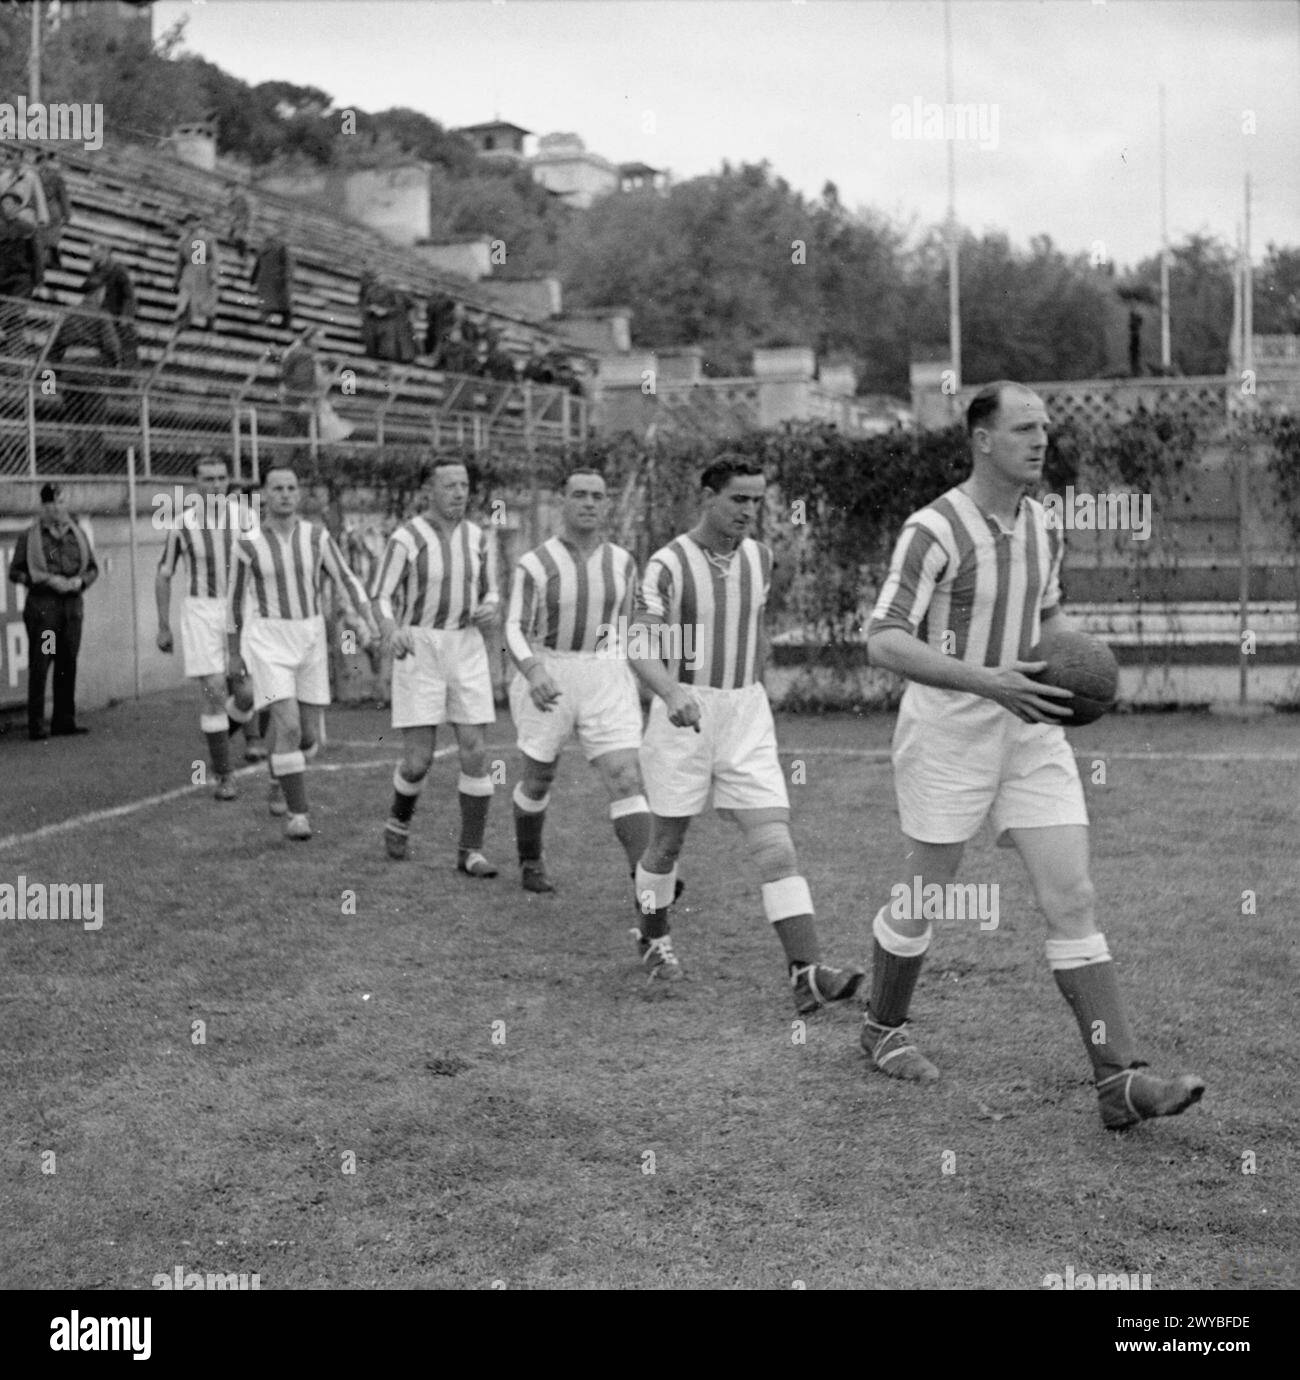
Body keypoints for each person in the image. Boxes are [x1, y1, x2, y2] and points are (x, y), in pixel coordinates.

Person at [862, 380, 1205, 1130]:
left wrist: (1074, 673)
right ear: (982, 439)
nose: (1041, 439)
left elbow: (1048, 619)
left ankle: (1119, 1081)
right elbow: (883, 637)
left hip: (1032, 727)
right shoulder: (934, 528)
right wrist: (987, 680)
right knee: (929, 891)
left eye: (1044, 427)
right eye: (1023, 428)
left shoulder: (1045, 524)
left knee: (1072, 896)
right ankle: (883, 1026)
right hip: (951, 726)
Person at [626, 454, 864, 1014]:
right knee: (667, 844)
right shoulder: (666, 564)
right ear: (706, 497)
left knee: (776, 842)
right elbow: (638, 646)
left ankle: (805, 971)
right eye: (738, 499)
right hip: (682, 713)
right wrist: (672, 692)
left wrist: (753, 684)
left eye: (758, 501)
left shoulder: (760, 558)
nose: (749, 511)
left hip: (746, 715)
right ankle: (653, 937)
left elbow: (754, 627)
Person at [504, 469, 658, 897]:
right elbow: (513, 627)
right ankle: (531, 858)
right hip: (551, 669)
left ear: (606, 504)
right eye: (580, 496)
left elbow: (631, 628)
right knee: (538, 778)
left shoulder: (623, 562)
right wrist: (534, 671)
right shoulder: (534, 563)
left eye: (597, 496)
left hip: (605, 672)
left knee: (626, 777)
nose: (589, 503)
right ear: (562, 503)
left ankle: (647, 884)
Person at [226, 466, 375, 841]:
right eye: (277, 488)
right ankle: (298, 815)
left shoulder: (317, 536)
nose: (286, 494)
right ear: (263, 494)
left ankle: (280, 774)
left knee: (310, 737)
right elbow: (232, 604)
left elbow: (346, 579)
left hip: (310, 636)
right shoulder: (247, 543)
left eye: (292, 488)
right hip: (268, 639)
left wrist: (370, 620)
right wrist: (234, 655)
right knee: (288, 724)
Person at [370, 460, 501, 877]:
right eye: (450, 485)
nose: (459, 493)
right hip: (420, 647)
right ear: (430, 490)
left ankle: (471, 851)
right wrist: (392, 631)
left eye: (464, 485)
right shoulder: (408, 537)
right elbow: (381, 596)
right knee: (418, 761)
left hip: (465, 646)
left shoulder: (479, 538)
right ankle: (399, 817)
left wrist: (489, 610)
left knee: (476, 750)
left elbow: (492, 592)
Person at [156, 455, 266, 798]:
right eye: (208, 479)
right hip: (201, 612)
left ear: (227, 481)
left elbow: (264, 565)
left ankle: (218, 736)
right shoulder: (182, 525)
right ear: (196, 485)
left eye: (221, 478)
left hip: (240, 609)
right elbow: (163, 575)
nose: (215, 485)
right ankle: (224, 774)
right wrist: (163, 625)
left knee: (246, 693)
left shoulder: (246, 518)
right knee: (215, 690)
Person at [8, 482, 98, 739]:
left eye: (62, 502)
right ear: (44, 506)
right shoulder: (31, 536)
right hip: (45, 609)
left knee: (67, 661)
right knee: (42, 662)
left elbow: (92, 568)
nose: (59, 508)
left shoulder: (76, 534)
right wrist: (43, 580)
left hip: (71, 608)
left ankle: (64, 721)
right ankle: (36, 725)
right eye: (54, 503)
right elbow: (15, 572)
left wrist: (81, 582)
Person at [82, 241, 139, 370]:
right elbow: (86, 286)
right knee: (107, 347)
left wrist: (126, 316)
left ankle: (128, 377)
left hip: (118, 316)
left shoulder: (118, 269)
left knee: (124, 348)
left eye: (94, 252)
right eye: (91, 252)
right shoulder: (96, 269)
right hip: (103, 315)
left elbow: (129, 295)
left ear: (105, 253)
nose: (91, 255)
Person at [0, 188, 40, 351]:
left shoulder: (28, 228)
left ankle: (16, 366)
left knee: (14, 319)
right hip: (2, 280)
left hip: (20, 281)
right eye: (3, 204)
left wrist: (38, 280)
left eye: (9, 204)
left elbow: (37, 256)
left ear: (18, 207)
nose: (5, 207)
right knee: (11, 322)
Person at [175, 215, 220, 329]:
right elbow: (180, 261)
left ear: (198, 222)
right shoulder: (184, 240)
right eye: (187, 222)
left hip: (204, 271)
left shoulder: (206, 237)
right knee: (186, 296)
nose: (190, 225)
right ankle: (183, 320)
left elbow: (214, 257)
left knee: (205, 299)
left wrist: (213, 273)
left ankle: (209, 323)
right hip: (189, 271)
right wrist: (177, 278)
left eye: (192, 222)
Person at [36, 151, 71, 274]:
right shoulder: (56, 178)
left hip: (43, 212)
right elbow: (63, 198)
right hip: (50, 211)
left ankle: (49, 262)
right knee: (49, 240)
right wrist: (67, 215)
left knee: (47, 239)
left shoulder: (37, 175)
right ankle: (51, 263)